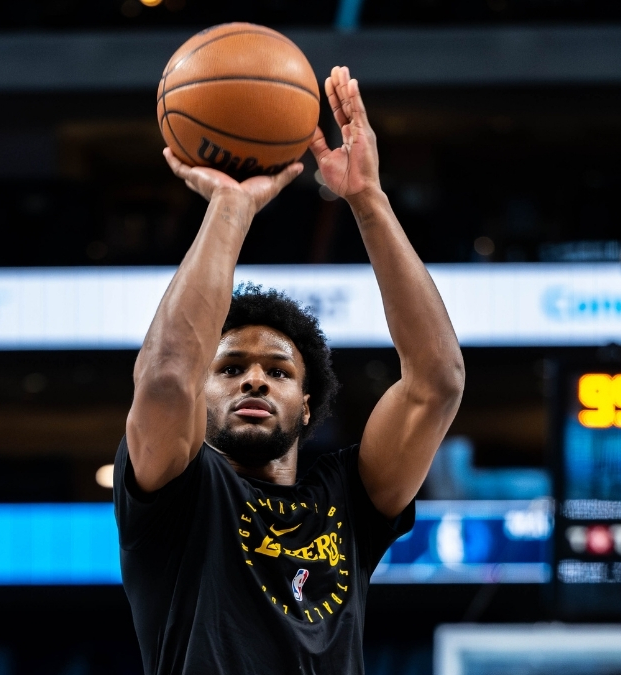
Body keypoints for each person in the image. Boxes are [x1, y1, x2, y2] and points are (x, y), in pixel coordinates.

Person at [114, 65, 465, 675]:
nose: (254, 379)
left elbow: (438, 382)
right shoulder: (179, 494)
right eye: (230, 369)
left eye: (278, 371)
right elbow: (168, 375)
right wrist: (231, 206)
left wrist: (368, 199)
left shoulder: (347, 500)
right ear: (201, 400)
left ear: (307, 406)